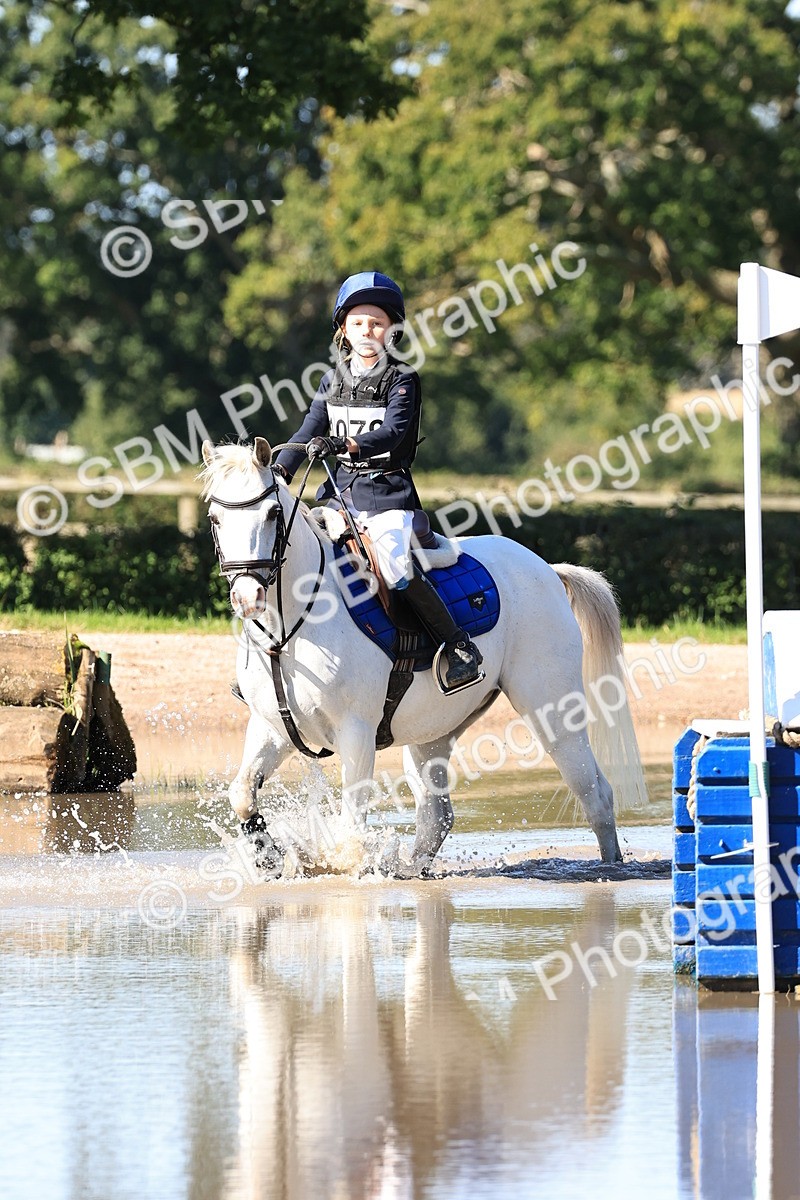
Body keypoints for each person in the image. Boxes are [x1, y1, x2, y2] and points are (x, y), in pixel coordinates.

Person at [272, 270, 483, 690]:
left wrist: (345, 444)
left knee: (394, 568)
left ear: (392, 330)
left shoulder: (403, 378)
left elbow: (394, 433)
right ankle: (274, 649)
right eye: (358, 322)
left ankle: (458, 646)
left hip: (387, 497)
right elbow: (308, 429)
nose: (367, 330)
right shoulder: (331, 379)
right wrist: (280, 470)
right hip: (337, 497)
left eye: (377, 322)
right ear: (343, 330)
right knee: (295, 549)